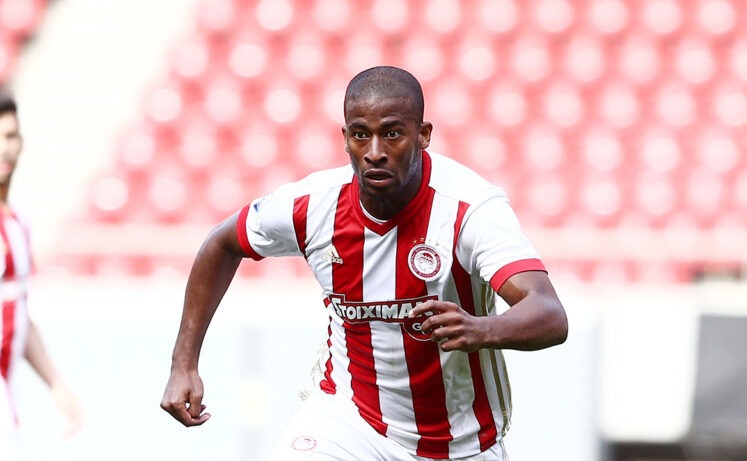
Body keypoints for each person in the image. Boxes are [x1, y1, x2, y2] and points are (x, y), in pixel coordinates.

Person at [161, 66, 568, 460]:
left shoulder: (469, 209)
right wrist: (184, 363)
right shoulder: (313, 206)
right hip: (349, 423)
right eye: (361, 135)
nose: (374, 153)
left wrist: (482, 329)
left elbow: (549, 313)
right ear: (345, 138)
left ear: (423, 134)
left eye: (392, 134)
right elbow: (222, 243)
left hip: (460, 444)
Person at [0, 88, 83, 460]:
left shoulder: (18, 222)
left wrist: (56, 383)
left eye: (10, 135)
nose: (4, 148)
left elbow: (17, 309)